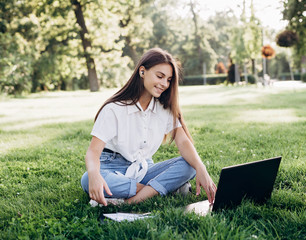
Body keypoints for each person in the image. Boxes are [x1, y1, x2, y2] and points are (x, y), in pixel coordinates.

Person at [81, 48, 217, 206]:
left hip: (143, 170)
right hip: (111, 168)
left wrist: (201, 168)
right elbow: (93, 152)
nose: (164, 84)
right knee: (87, 180)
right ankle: (160, 189)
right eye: (160, 76)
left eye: (168, 79)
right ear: (142, 71)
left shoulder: (164, 108)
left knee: (190, 166)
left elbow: (183, 142)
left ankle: (131, 201)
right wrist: (94, 174)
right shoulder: (114, 109)